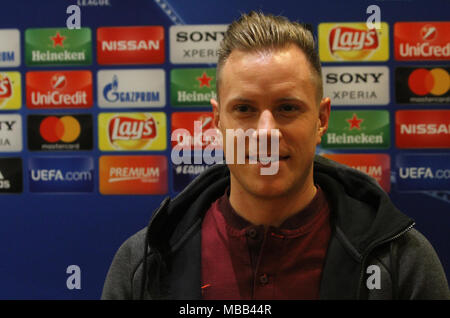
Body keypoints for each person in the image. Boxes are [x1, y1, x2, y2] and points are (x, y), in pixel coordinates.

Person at [101, 11, 449, 300]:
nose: (266, 132)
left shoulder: (403, 262)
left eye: (287, 107)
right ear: (217, 120)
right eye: (244, 108)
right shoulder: (143, 263)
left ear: (322, 119)